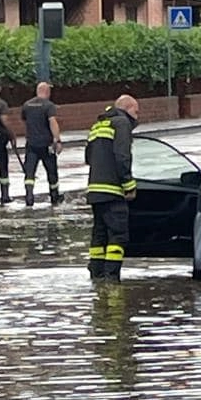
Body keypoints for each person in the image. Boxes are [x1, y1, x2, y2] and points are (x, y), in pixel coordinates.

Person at [85, 95, 140, 282]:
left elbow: (88, 157)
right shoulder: (122, 123)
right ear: (126, 108)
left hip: (94, 191)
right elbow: (122, 156)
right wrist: (129, 185)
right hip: (113, 191)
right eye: (136, 111)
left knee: (99, 235)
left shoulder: (98, 125)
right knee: (119, 236)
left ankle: (96, 274)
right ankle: (112, 277)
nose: (137, 116)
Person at [21, 82, 64, 206]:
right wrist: (58, 140)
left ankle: (29, 197)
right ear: (47, 92)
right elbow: (52, 122)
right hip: (46, 144)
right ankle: (54, 196)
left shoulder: (27, 105)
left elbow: (25, 121)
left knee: (30, 172)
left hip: (31, 144)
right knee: (51, 171)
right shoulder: (49, 105)